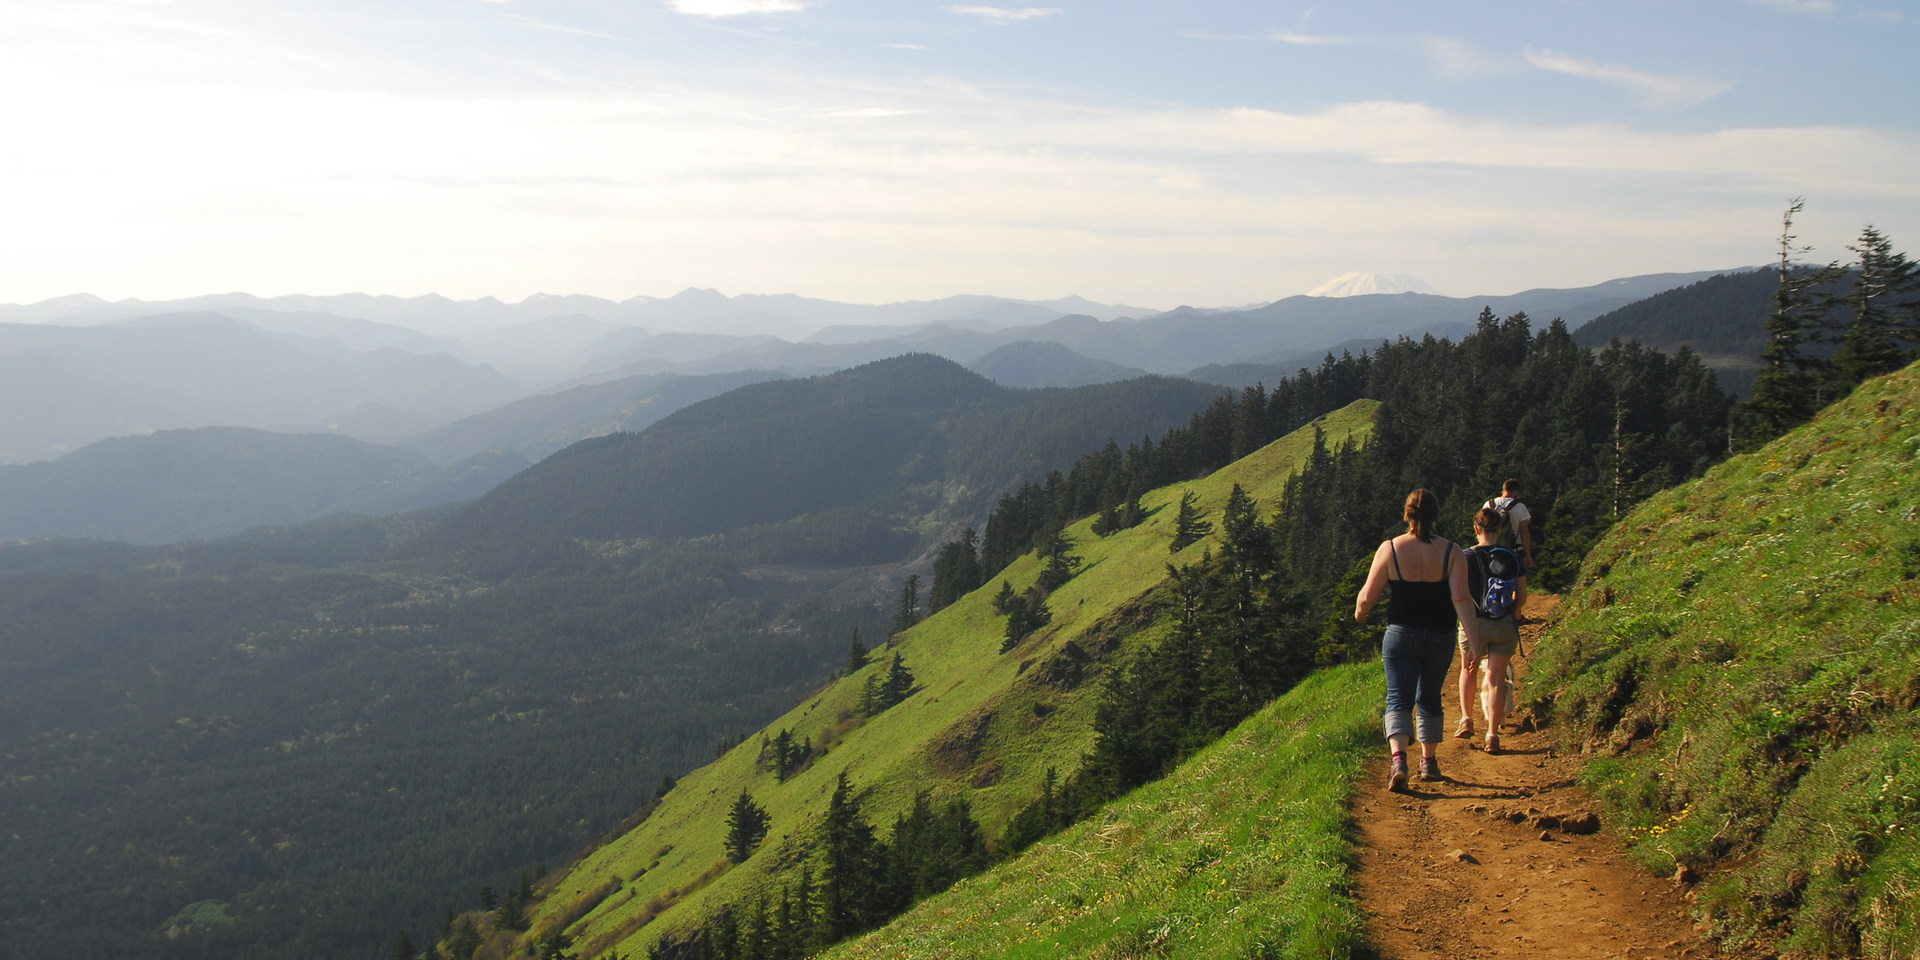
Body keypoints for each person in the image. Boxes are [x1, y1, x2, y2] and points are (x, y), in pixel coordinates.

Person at [1355, 489, 1480, 791]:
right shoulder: (1452, 552)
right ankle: (1429, 762)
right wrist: (1474, 642)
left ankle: (1399, 759)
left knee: (1398, 698)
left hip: (1400, 633)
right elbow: (1462, 598)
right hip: (1441, 634)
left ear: (1407, 514)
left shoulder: (1391, 549)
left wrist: (1361, 613)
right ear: (1436, 515)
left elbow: (1367, 597)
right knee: (1430, 696)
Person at [1454, 506, 1528, 753]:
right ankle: (1493, 734)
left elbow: (1458, 594)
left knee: (1468, 669)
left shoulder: (1464, 557)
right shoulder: (1511, 557)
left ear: (1476, 529)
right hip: (1503, 623)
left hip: (1472, 623)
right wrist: (1514, 614)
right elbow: (1523, 595)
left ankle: (1467, 718)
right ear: (1499, 529)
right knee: (1497, 678)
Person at [1484, 478, 1535, 575]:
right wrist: (1528, 555)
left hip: (1491, 550)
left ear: (1503, 490)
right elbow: (1524, 532)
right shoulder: (1520, 507)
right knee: (1516, 581)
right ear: (1516, 491)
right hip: (1513, 551)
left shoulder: (1488, 504)